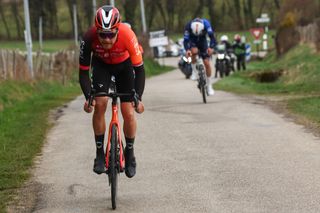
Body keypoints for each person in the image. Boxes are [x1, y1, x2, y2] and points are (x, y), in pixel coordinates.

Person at [79, 6, 145, 178]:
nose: (106, 39)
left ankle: (130, 154)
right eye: (102, 34)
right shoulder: (88, 37)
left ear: (117, 30)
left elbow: (140, 70)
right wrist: (89, 98)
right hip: (102, 66)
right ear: (96, 31)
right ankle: (99, 154)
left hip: (125, 66)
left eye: (110, 35)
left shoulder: (128, 36)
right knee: (100, 103)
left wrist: (138, 97)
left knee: (128, 111)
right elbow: (83, 72)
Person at [183, 18, 217, 96]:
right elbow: (185, 40)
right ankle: (194, 72)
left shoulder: (206, 24)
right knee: (193, 52)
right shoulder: (188, 26)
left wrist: (211, 47)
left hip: (202, 42)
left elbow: (212, 38)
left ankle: (209, 85)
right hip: (193, 41)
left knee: (207, 63)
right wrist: (187, 50)